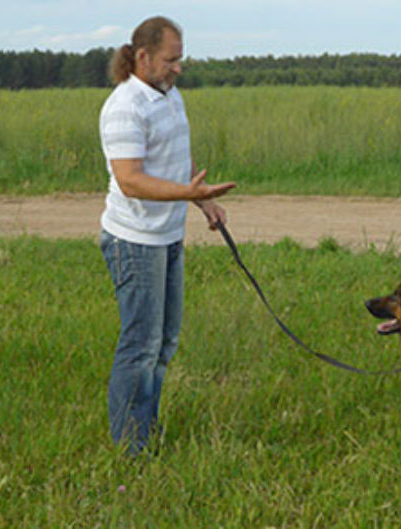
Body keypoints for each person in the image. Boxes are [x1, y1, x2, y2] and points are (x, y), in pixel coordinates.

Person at [98, 16, 235, 455]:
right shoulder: (125, 107)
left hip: (168, 237)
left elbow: (177, 158)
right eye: (170, 59)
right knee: (140, 346)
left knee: (164, 343)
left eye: (181, 58)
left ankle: (145, 430)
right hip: (135, 242)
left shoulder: (169, 96)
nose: (178, 68)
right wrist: (189, 194)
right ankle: (130, 448)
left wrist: (202, 202)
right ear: (142, 56)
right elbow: (131, 180)